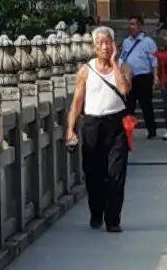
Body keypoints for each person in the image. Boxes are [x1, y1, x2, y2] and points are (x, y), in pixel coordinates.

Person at [65, 26, 132, 232]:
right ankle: (96, 211)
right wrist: (70, 129)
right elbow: (77, 102)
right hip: (92, 125)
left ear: (114, 44)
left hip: (117, 125)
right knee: (93, 173)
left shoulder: (124, 67)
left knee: (116, 174)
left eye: (108, 42)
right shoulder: (86, 70)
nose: (104, 46)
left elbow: (123, 89)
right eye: (100, 43)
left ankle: (113, 220)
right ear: (94, 47)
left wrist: (114, 64)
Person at [119, 17, 159, 138]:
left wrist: (155, 76)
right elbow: (122, 58)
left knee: (146, 104)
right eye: (130, 24)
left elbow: (154, 60)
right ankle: (127, 131)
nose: (131, 27)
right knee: (129, 106)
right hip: (129, 77)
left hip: (144, 76)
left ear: (140, 26)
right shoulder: (126, 41)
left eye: (133, 24)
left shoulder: (148, 42)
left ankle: (151, 130)